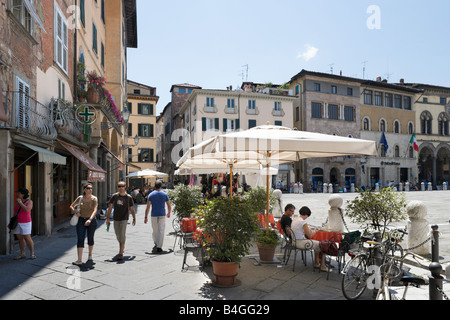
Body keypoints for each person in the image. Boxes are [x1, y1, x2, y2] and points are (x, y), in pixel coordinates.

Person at [290, 206, 328, 272]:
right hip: (301, 243)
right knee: (322, 245)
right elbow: (310, 235)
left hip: (294, 241)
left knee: (317, 245)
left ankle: (316, 263)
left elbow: (299, 230)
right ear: (307, 215)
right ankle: (323, 266)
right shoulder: (303, 222)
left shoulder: (295, 219)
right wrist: (315, 231)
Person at [106, 182, 136, 260]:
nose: (121, 188)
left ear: (125, 187)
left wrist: (134, 218)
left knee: (122, 234)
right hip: (116, 218)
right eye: (119, 186)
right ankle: (122, 245)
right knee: (118, 235)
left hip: (124, 218)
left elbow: (132, 209)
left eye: (122, 186)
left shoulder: (128, 197)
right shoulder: (114, 196)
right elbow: (110, 207)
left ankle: (121, 253)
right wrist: (107, 218)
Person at [69, 183, 98, 266]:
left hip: (91, 220)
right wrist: (76, 211)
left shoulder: (94, 199)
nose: (90, 189)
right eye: (88, 188)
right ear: (84, 189)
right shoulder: (80, 198)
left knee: (90, 238)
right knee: (80, 239)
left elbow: (95, 210)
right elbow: (71, 206)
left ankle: (90, 255)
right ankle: (79, 260)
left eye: (91, 188)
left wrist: (90, 219)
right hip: (81, 220)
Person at [144, 180, 171, 253]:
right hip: (162, 214)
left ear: (155, 186)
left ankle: (156, 242)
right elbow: (169, 205)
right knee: (161, 230)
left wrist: (145, 217)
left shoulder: (151, 195)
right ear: (161, 186)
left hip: (154, 214)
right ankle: (159, 246)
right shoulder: (164, 194)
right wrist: (169, 212)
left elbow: (148, 207)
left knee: (155, 230)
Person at [12, 188, 35, 260]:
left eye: (19, 193)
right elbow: (16, 211)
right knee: (20, 238)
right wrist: (13, 221)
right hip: (18, 222)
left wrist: (21, 203)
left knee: (27, 238)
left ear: (23, 194)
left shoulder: (29, 201)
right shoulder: (18, 201)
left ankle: (32, 254)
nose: (17, 194)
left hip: (26, 222)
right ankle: (22, 253)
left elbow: (27, 209)